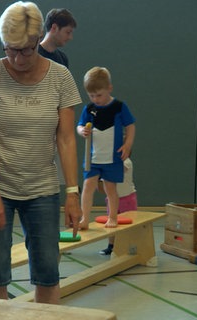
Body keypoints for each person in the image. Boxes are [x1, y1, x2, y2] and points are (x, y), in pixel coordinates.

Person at [0, 1, 82, 304]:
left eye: (26, 50)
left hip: (42, 191)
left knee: (48, 271)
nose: (18, 58)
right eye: (10, 49)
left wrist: (73, 193)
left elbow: (66, 140)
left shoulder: (60, 77)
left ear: (38, 40)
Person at [77, 67, 136, 230]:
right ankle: (84, 218)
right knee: (88, 185)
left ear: (109, 88)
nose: (96, 99)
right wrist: (82, 131)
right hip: (93, 158)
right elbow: (80, 125)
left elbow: (130, 126)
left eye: (99, 95)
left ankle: (112, 217)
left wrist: (127, 144)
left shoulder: (119, 107)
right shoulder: (89, 109)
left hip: (112, 158)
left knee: (110, 188)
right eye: (91, 96)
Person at [98, 157, 137, 255]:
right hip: (112, 200)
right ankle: (111, 246)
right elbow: (102, 186)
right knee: (111, 222)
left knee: (128, 224)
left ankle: (128, 245)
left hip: (127, 198)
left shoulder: (127, 162)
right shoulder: (109, 165)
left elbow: (119, 170)